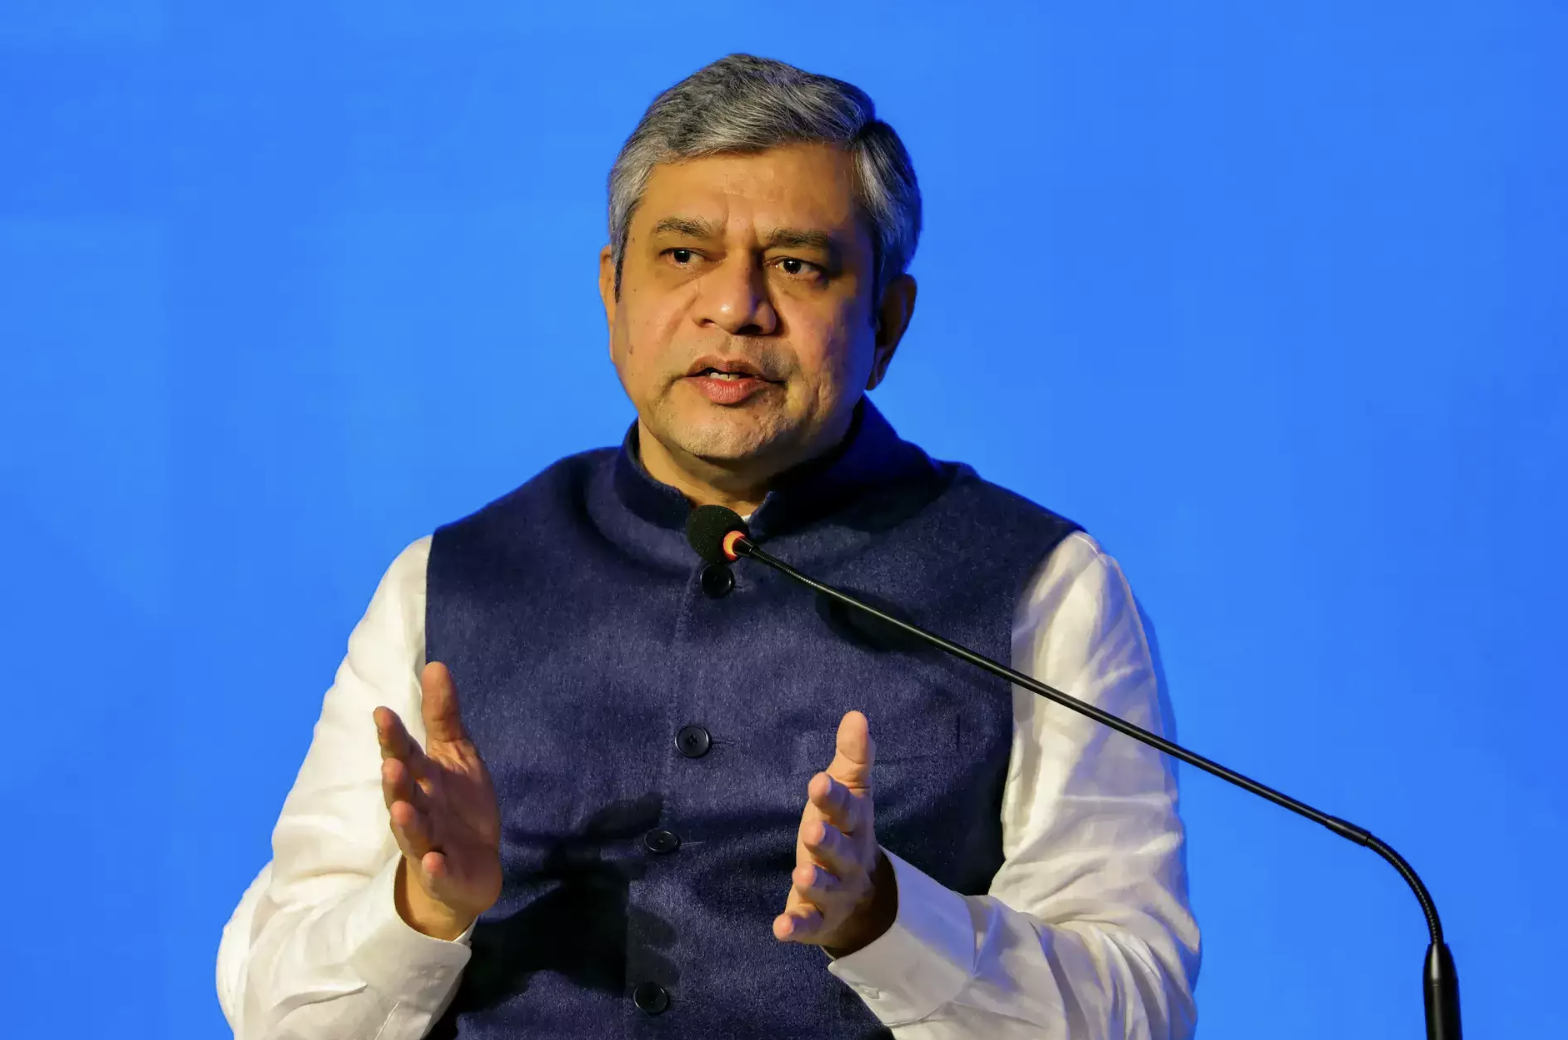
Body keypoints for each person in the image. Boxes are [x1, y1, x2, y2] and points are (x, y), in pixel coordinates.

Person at [216, 52, 1199, 1039]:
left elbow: (1137, 1007)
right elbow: (272, 1012)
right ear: (612, 292)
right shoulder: (446, 582)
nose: (734, 307)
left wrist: (888, 921)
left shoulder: (1042, 589)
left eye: (797, 265)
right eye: (683, 254)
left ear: (886, 323)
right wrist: (421, 909)